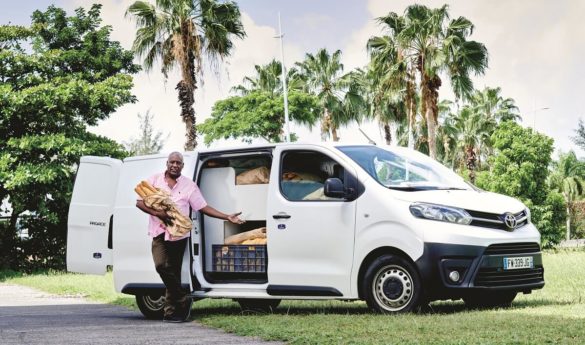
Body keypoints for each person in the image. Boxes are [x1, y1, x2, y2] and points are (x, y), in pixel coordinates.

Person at [136, 151, 244, 323]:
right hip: (159, 231)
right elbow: (139, 202)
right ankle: (183, 297)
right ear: (167, 163)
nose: (175, 165)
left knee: (175, 272)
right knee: (161, 265)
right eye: (172, 162)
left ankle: (171, 313)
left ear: (182, 166)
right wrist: (158, 213)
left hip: (179, 235)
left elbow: (202, 207)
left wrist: (226, 216)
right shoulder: (154, 180)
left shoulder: (189, 185)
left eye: (178, 163)